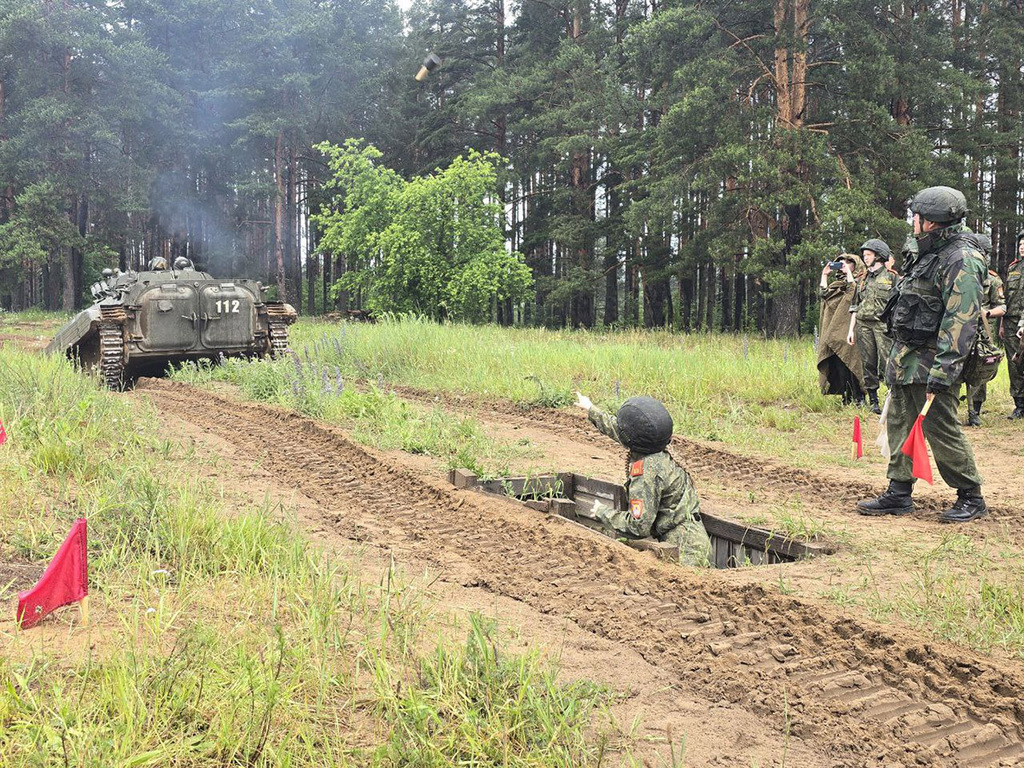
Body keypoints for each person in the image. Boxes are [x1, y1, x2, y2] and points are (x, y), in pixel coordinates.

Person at [857, 186, 987, 523]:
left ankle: (970, 495)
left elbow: (960, 322)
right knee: (900, 422)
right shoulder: (928, 253)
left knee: (940, 428)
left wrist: (943, 373)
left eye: (916, 217)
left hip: (933, 364)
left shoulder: (962, 260)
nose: (912, 222)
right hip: (906, 361)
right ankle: (899, 492)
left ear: (930, 222)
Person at [574, 392, 712, 566]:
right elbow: (623, 432)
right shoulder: (658, 448)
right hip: (694, 539)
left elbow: (638, 527)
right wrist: (591, 409)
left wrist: (602, 512)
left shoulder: (646, 472)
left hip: (684, 551)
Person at [847, 239, 896, 414]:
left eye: (868, 255)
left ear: (878, 256)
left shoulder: (892, 277)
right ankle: (873, 401)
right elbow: (854, 306)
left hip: (883, 328)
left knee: (888, 363)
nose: (865, 258)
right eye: (864, 255)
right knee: (868, 364)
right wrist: (850, 330)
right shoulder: (861, 280)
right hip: (863, 326)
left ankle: (893, 401)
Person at [962, 234, 1005, 426]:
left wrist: (986, 313)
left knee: (980, 367)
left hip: (982, 331)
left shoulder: (993, 280)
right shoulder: (962, 274)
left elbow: (1002, 307)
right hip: (961, 328)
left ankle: (975, 411)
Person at [818, 253, 866, 405]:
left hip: (852, 329)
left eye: (848, 262)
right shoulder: (837, 285)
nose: (844, 265)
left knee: (853, 362)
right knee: (840, 364)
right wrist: (824, 275)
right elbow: (824, 295)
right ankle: (847, 396)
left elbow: (854, 294)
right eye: (841, 263)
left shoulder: (861, 282)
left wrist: (851, 276)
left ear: (856, 265)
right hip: (836, 332)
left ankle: (860, 397)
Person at [1003, 233, 1024, 419]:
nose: (1022, 247)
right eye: (1021, 244)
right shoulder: (1013, 268)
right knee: (1014, 362)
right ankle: (1019, 404)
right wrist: (1002, 324)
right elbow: (1007, 298)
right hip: (1010, 322)